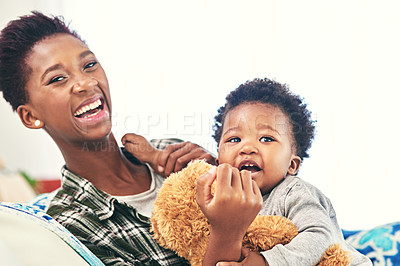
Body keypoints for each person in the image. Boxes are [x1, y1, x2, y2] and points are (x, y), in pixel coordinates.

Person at [0, 11, 216, 265]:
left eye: (89, 65)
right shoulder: (69, 225)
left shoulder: (169, 152)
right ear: (30, 116)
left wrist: (222, 172)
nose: (85, 83)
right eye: (57, 79)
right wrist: (225, 230)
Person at [126, 78, 372, 265]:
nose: (247, 148)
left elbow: (320, 236)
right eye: (234, 139)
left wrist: (267, 261)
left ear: (292, 165)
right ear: (218, 156)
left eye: (266, 138)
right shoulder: (221, 193)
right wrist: (153, 156)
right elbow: (186, 176)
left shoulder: (294, 193)